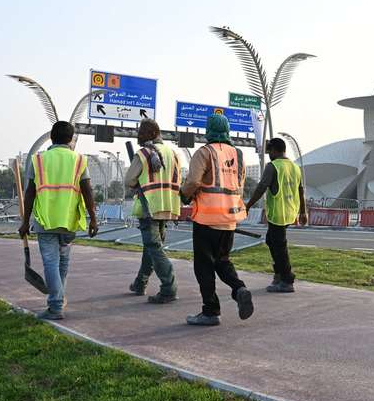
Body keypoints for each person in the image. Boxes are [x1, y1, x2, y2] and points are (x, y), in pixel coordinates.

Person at [18, 121, 98, 320]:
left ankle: (55, 306)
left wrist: (25, 222)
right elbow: (88, 191)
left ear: (52, 137)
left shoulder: (39, 160)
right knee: (63, 261)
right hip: (69, 221)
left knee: (51, 263)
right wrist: (93, 219)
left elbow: (30, 193)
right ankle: (59, 300)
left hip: (46, 219)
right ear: (71, 139)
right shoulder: (79, 160)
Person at [180, 113, 254, 326]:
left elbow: (193, 181)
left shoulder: (205, 152)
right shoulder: (238, 154)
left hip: (206, 218)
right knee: (222, 261)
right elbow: (239, 184)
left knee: (203, 266)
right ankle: (239, 288)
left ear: (208, 131)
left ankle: (210, 311)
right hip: (229, 218)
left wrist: (184, 195)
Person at [124, 118, 181, 304]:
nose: (138, 136)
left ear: (153, 134)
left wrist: (138, 183)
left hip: (149, 207)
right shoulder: (173, 153)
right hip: (167, 207)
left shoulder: (143, 154)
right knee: (151, 247)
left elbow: (129, 180)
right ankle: (140, 283)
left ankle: (168, 288)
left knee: (155, 249)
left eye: (141, 132)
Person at [244, 137, 307, 293]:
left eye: (269, 151)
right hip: (290, 211)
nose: (269, 154)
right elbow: (300, 190)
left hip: (278, 213)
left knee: (279, 246)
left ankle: (286, 279)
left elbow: (261, 187)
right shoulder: (295, 167)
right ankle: (279, 273)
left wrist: (248, 205)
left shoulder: (273, 166)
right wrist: (303, 211)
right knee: (271, 240)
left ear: (274, 150)